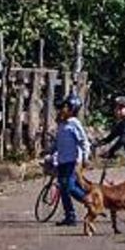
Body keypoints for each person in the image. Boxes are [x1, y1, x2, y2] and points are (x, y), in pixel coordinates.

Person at [50, 93, 91, 227]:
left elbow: (84, 142)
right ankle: (70, 215)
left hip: (72, 162)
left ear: (72, 109)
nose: (63, 109)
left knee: (70, 186)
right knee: (63, 188)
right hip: (62, 161)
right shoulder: (62, 124)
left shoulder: (74, 124)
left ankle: (90, 201)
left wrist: (85, 157)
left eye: (66, 107)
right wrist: (51, 152)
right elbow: (58, 142)